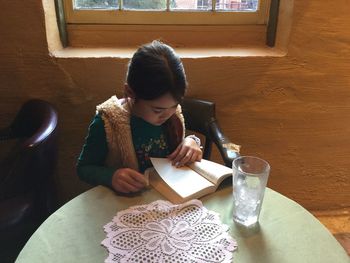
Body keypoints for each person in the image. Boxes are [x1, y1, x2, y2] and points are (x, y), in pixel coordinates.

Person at [77, 40, 202, 194]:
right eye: (157, 110)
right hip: (124, 203)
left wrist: (190, 142)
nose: (168, 114)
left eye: (174, 106)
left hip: (168, 198)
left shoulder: (172, 115)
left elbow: (177, 148)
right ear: (130, 93)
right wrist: (112, 176)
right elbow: (84, 168)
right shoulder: (107, 123)